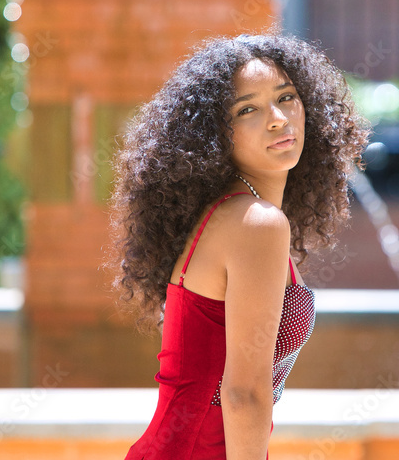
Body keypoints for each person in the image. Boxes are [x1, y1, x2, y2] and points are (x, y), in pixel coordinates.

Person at [104, 31, 370, 459]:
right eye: (247, 108)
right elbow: (244, 393)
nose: (278, 118)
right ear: (213, 134)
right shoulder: (256, 224)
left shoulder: (237, 215)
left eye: (286, 97)